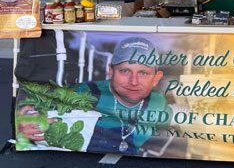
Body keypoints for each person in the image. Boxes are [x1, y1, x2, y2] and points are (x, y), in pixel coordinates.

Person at [18, 37, 173, 155]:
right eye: (125, 71)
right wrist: (26, 118)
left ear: (156, 78)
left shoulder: (158, 101)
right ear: (111, 71)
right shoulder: (88, 93)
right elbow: (35, 100)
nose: (134, 82)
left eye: (143, 73)